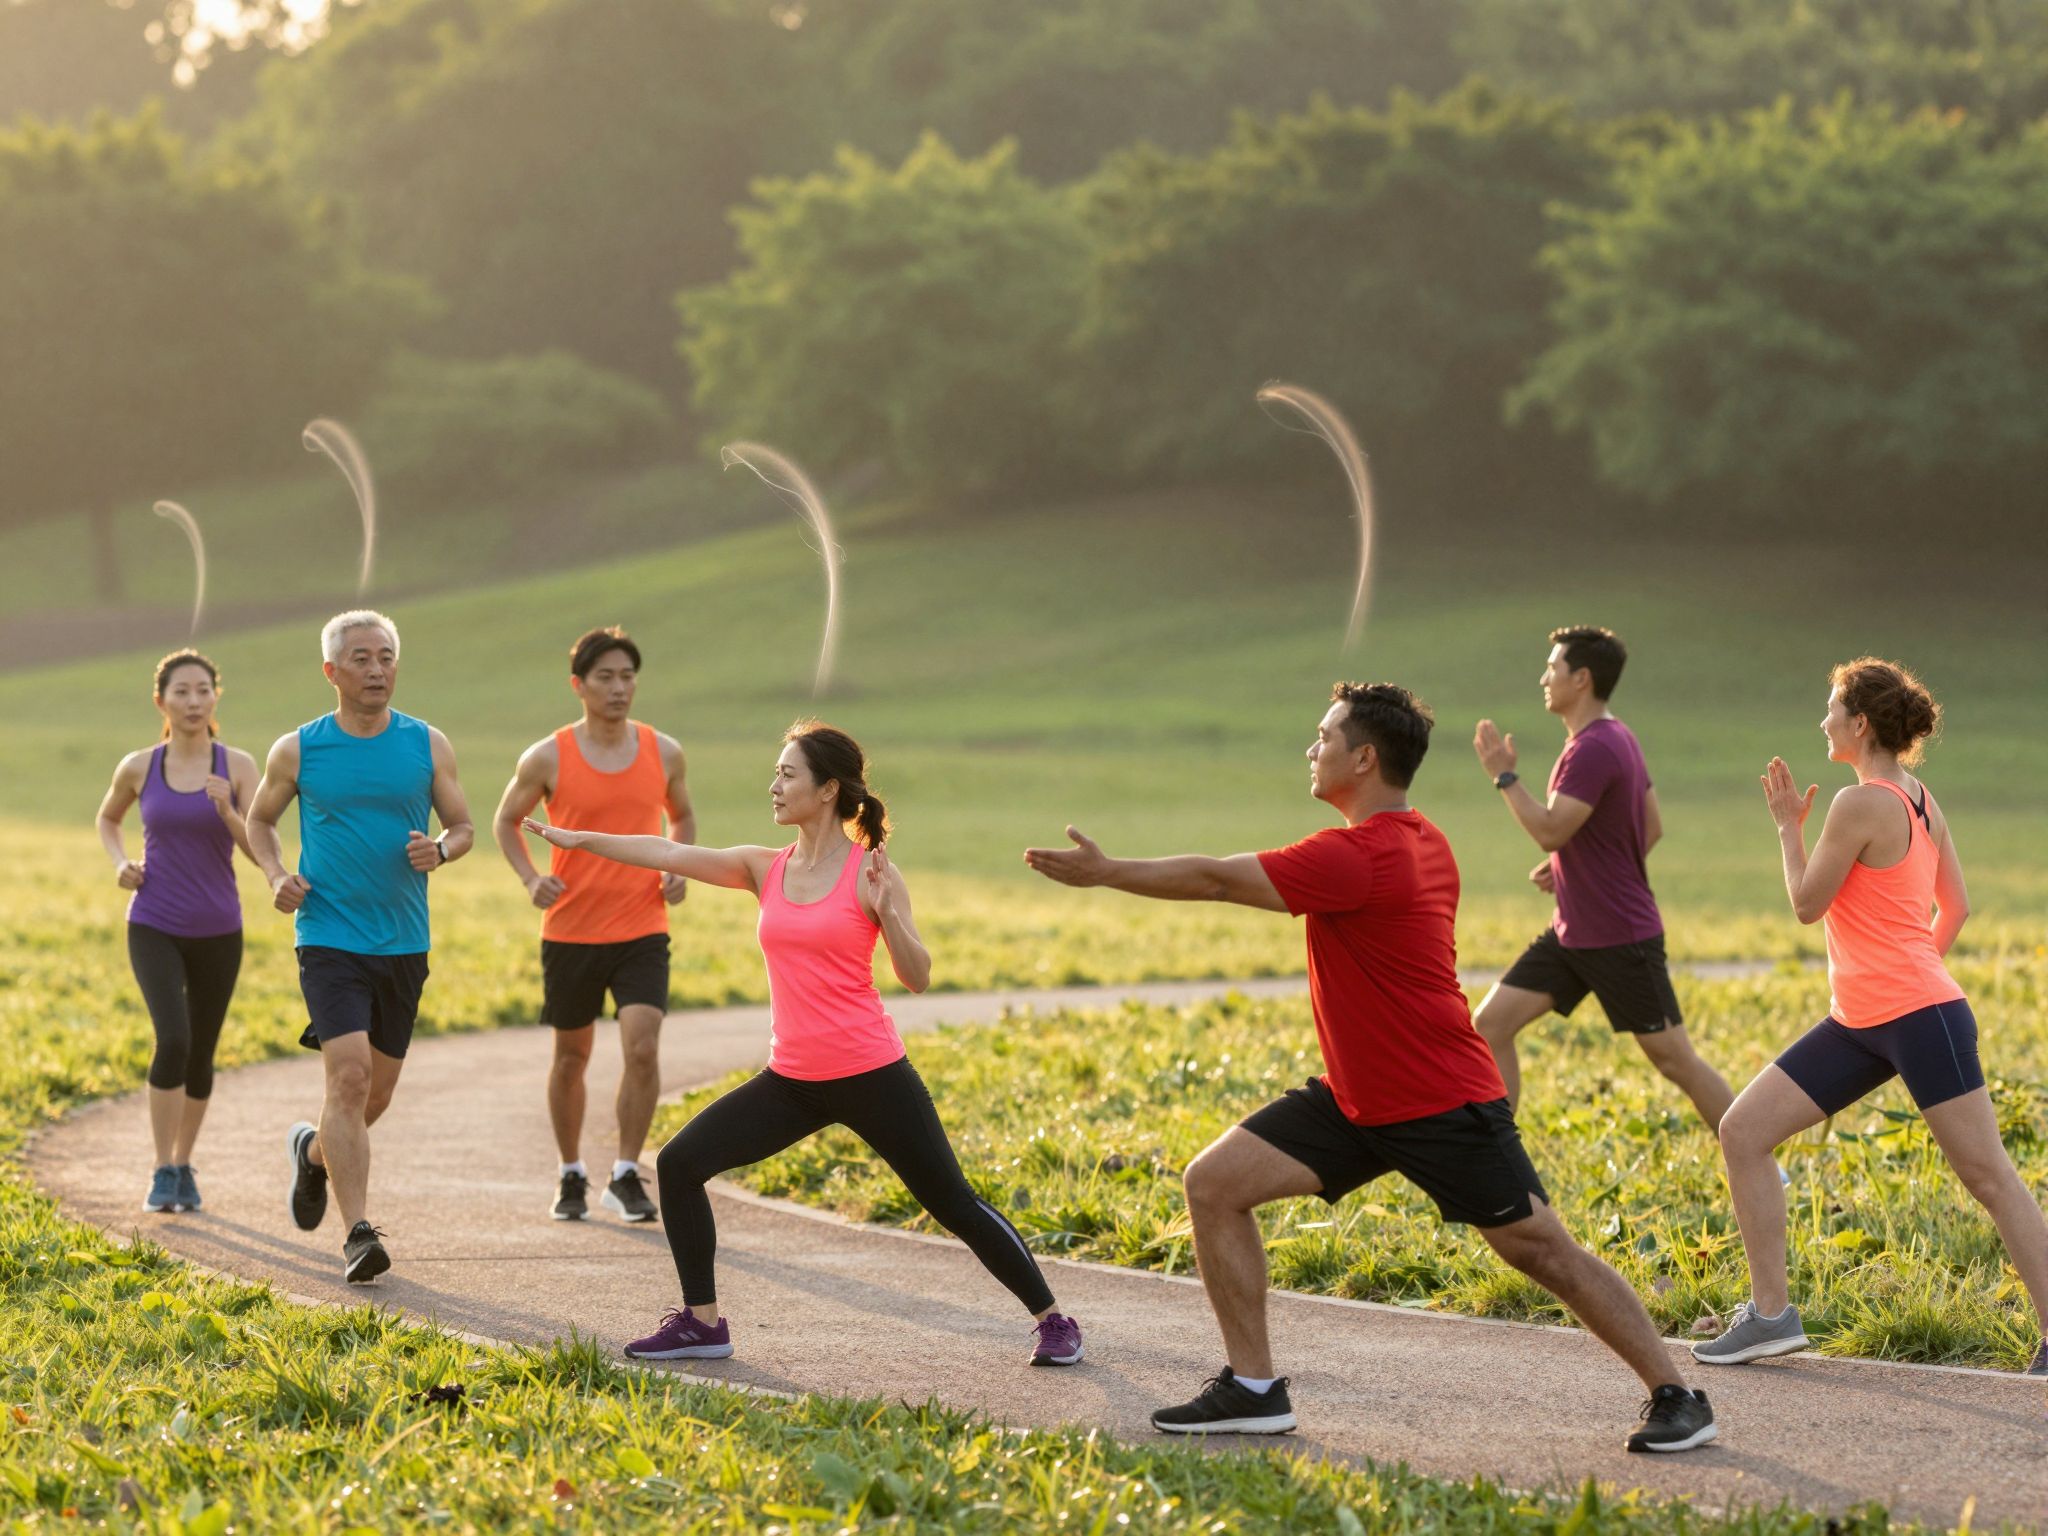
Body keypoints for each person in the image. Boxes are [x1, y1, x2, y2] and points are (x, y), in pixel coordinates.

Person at [1025, 682, 1716, 1451]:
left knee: (1542, 1251)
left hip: (1439, 1099)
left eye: (1323, 737)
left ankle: (1679, 1393)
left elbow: (1218, 879)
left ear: (1364, 757)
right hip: (1358, 1101)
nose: (1311, 750)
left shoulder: (1360, 856)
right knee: (1215, 1184)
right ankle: (1254, 1390)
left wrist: (1107, 870)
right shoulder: (1425, 839)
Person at [523, 720, 1084, 1369]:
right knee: (679, 1164)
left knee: (953, 1203)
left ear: (827, 790)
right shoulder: (765, 867)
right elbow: (665, 852)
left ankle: (1054, 1320)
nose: (774, 785)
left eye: (788, 774)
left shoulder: (871, 872)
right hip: (791, 1080)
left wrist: (891, 915)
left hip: (871, 1072)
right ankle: (703, 1323)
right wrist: (576, 839)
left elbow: (918, 977)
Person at [1693, 658, 2048, 1376]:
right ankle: (1770, 1318)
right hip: (1863, 1021)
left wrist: (1788, 828)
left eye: (1831, 710)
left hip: (1915, 1018)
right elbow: (1958, 908)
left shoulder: (1860, 804)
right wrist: (1915, 971)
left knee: (1990, 1177)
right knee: (1743, 1130)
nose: (1823, 722)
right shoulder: (1922, 799)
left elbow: (1804, 903)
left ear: (1860, 724)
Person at [245, 610, 475, 1283]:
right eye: (362, 659)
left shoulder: (427, 744)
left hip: (403, 940)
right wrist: (276, 874)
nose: (377, 670)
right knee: (347, 1078)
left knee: (373, 1098)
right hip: (328, 935)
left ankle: (313, 1154)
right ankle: (359, 1235)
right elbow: (260, 821)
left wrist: (441, 849)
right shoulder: (299, 749)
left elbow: (461, 826)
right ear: (332, 672)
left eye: (386, 657)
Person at [1471, 626, 1735, 1132]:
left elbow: (1550, 829)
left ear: (1582, 679)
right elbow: (1647, 825)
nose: (1544, 677)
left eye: (1554, 668)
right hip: (1573, 932)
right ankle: (1498, 1158)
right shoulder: (1619, 736)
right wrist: (1577, 861)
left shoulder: (1592, 749)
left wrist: (1504, 777)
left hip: (1620, 937)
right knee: (1490, 1024)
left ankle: (1762, 1157)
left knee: (1676, 1060)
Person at [492, 626, 695, 1223]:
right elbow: (507, 821)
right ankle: (571, 1172)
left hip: (642, 927)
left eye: (627, 676)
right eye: (605, 677)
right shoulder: (548, 756)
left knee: (643, 1045)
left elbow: (681, 816)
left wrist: (677, 865)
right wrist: (532, 879)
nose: (618, 687)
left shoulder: (666, 751)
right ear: (578, 686)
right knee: (571, 1058)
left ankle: (627, 1172)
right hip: (571, 930)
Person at [94, 650, 259, 1215]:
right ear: (161, 700)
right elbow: (107, 818)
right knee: (174, 1037)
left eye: (203, 690)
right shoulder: (140, 766)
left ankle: (185, 1163)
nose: (193, 701)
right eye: (182, 692)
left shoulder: (236, 767)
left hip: (219, 927)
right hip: (154, 921)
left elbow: (262, 849)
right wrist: (120, 862)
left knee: (202, 1050)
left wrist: (230, 813)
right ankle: (162, 1167)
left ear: (216, 697)